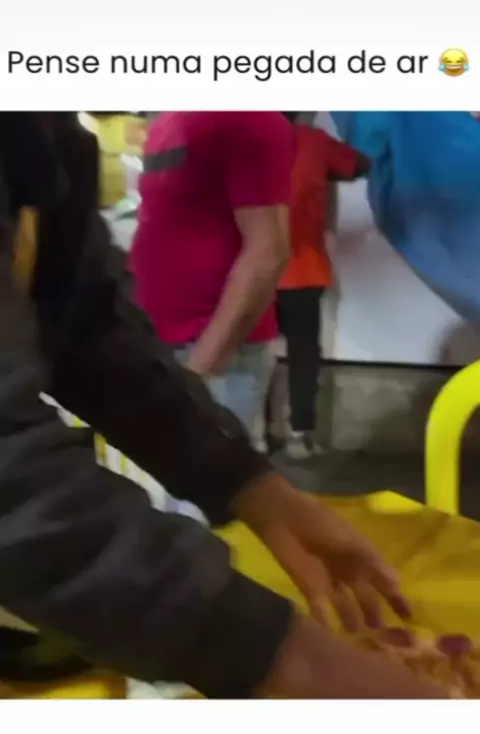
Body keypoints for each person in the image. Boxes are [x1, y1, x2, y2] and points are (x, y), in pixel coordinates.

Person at [0, 112, 444, 699]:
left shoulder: (59, 133)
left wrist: (243, 479)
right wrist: (282, 657)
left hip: (202, 349)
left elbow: (86, 320)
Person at [131, 111, 294, 452]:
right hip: (160, 347)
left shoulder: (246, 117)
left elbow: (269, 251)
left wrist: (199, 370)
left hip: (213, 359)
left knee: (211, 479)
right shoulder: (166, 122)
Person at [273, 113, 369, 458]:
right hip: (302, 270)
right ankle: (299, 434)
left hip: (248, 270)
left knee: (250, 356)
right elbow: (359, 164)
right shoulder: (312, 141)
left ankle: (252, 436)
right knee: (303, 354)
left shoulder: (236, 143)